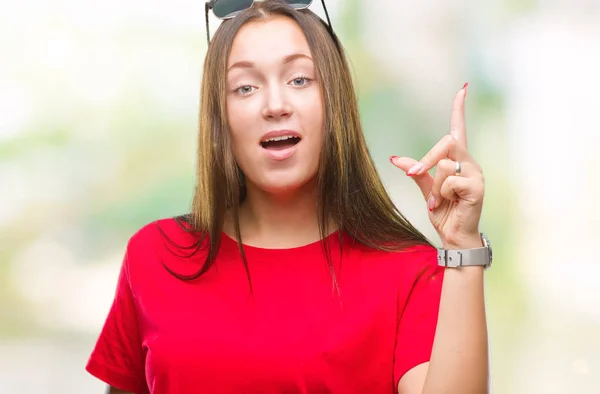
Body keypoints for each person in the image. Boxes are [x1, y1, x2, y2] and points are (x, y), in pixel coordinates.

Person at [86, 0, 491, 393]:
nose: (275, 105)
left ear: (335, 101)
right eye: (244, 87)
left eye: (299, 80)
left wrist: (463, 248)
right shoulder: (155, 256)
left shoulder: (410, 272)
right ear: (219, 117)